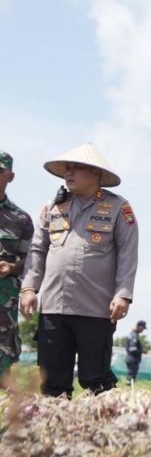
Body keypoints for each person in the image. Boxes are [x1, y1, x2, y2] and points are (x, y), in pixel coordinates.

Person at [20, 144, 139, 397]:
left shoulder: (118, 207)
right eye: (67, 169)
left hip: (96, 309)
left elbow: (128, 253)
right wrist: (30, 287)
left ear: (96, 174)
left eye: (76, 169)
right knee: (52, 382)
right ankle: (53, 430)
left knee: (96, 379)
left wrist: (123, 294)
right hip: (53, 307)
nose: (69, 174)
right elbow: (37, 250)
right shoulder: (52, 206)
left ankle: (102, 429)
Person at [0, 151, 34, 388]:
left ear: (10, 176)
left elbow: (30, 261)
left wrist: (11, 267)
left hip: (4, 303)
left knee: (3, 361)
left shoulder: (20, 218)